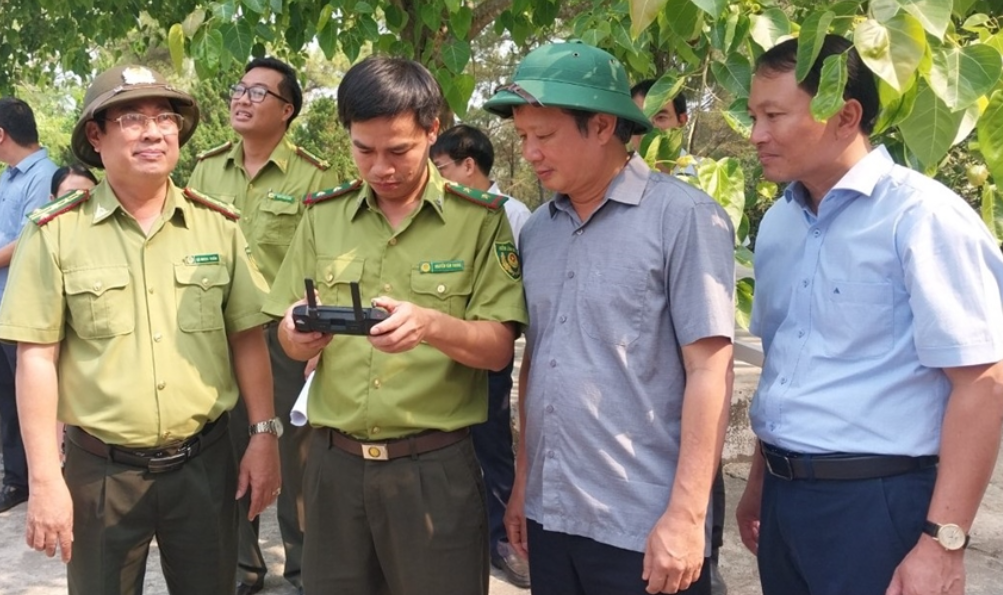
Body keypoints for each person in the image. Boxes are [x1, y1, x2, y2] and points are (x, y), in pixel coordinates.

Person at [736, 34, 1003, 595]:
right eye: (753, 115)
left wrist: (942, 541)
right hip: (785, 500)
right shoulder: (780, 225)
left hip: (877, 503)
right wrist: (761, 482)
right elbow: (785, 362)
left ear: (845, 114)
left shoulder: (923, 218)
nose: (756, 135)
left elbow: (983, 381)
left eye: (774, 115)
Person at [0, 64, 281, 595]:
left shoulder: (217, 226)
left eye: (165, 118)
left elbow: (247, 336)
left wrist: (264, 436)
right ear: (95, 135)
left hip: (205, 465)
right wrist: (43, 478)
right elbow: (36, 356)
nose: (153, 131)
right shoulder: (55, 233)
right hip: (101, 472)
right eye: (132, 118)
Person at [264, 56, 528, 595]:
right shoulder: (322, 216)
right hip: (335, 469)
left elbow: (499, 347)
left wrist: (433, 324)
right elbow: (286, 335)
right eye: (364, 150)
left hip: (433, 470)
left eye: (399, 150)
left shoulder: (479, 220)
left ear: (433, 132)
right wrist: (297, 334)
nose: (380, 167)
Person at [485, 40, 735, 595]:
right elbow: (538, 363)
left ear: (601, 126)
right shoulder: (539, 231)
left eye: (544, 136)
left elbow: (710, 371)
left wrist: (688, 517)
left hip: (642, 525)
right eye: (523, 136)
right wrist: (525, 484)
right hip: (553, 516)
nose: (529, 152)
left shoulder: (684, 219)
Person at [188, 56, 339, 595]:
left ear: (288, 109)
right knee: (229, 452)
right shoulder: (206, 169)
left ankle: (303, 570)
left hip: (284, 339)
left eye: (258, 92)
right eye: (239, 88)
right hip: (221, 335)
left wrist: (320, 344)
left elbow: (330, 261)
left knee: (295, 459)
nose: (242, 99)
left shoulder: (315, 176)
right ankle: (243, 568)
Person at [631, 79, 728, 595]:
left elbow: (712, 364)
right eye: (639, 123)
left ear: (683, 123)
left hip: (678, 469)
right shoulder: (552, 222)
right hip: (604, 493)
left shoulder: (702, 201)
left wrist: (689, 513)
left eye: (661, 121)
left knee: (694, 568)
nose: (649, 135)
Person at [430, 123, 532, 589]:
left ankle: (503, 541)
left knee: (491, 447)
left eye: (443, 168)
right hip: (445, 351)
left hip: (487, 350)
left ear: (469, 165)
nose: (437, 176)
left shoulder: (509, 215)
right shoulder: (446, 212)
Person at [0, 97, 58, 513]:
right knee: (5, 397)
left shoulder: (45, 176)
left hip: (22, 308)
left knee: (28, 392)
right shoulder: (8, 177)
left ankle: (34, 477)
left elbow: (30, 240)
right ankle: (15, 480)